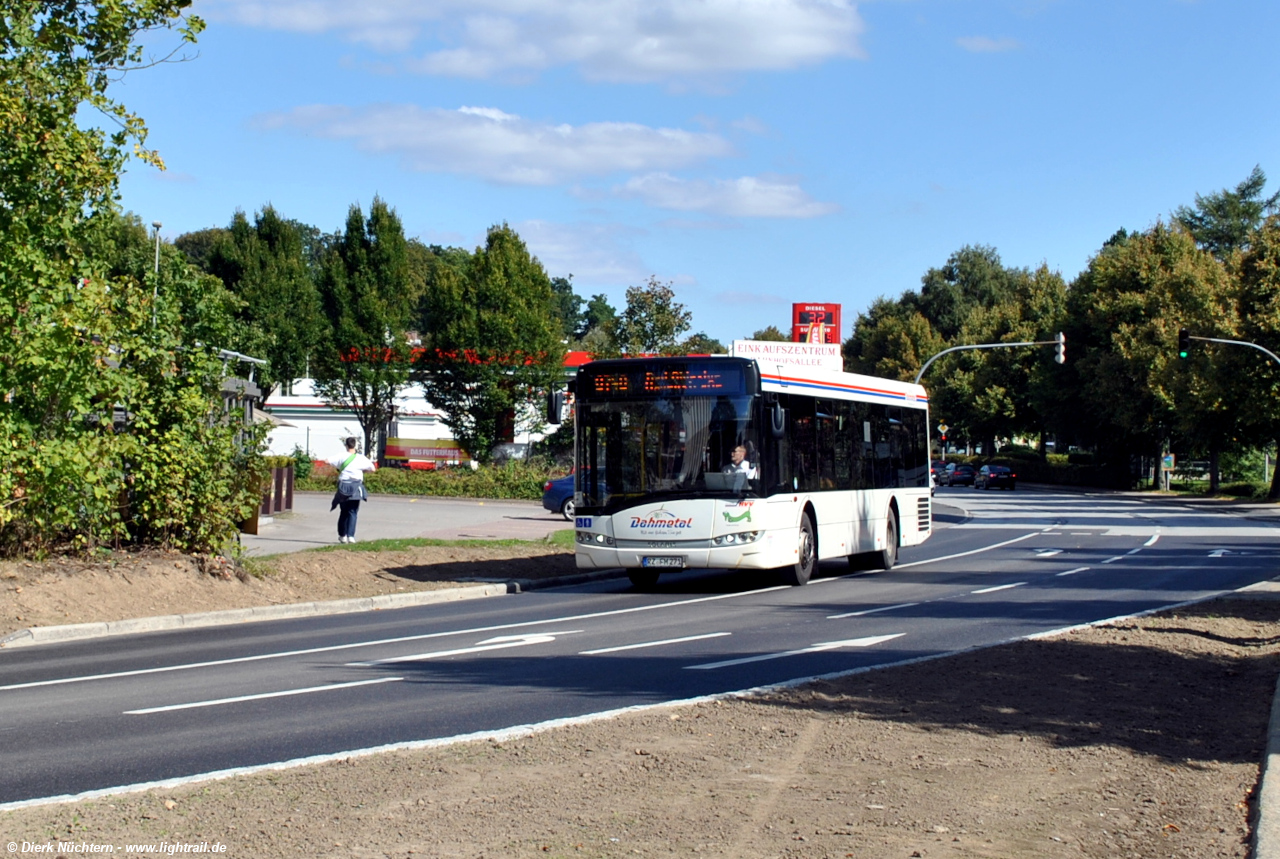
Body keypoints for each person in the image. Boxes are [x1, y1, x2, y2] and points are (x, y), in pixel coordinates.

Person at [329, 437, 376, 544]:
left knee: (343, 511)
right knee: (353, 512)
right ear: (355, 445)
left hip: (343, 486)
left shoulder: (341, 456)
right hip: (356, 486)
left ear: (346, 445)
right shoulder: (361, 458)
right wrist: (362, 471)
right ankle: (351, 536)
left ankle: (342, 536)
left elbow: (327, 461)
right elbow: (373, 469)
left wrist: (339, 467)